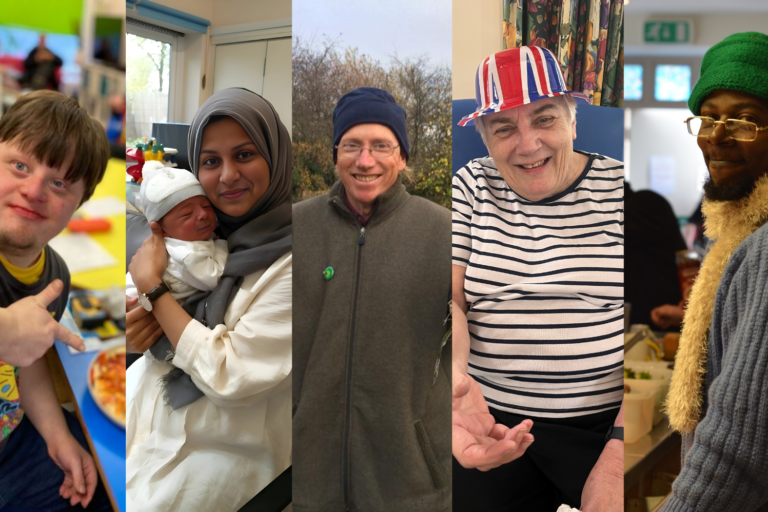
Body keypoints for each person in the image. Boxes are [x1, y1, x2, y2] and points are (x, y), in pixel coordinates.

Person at [452, 46, 624, 511]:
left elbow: (662, 338)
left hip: (604, 427)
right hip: (489, 417)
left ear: (573, 120)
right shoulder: (470, 187)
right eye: (504, 128)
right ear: (484, 137)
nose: (527, 144)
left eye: (544, 119)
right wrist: (452, 378)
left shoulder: (623, 191)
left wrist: (618, 452)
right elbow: (451, 303)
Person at [125, 88, 292, 512]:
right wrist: (131, 330)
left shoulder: (298, 258)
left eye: (245, 154)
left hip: (222, 449)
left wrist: (154, 292)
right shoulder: (208, 235)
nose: (228, 176)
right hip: (147, 413)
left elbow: (230, 374)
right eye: (211, 162)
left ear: (275, 155)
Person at [292, 87, 451, 511]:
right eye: (352, 146)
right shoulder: (296, 227)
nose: (365, 161)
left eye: (382, 146)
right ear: (335, 154)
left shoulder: (444, 233)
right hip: (313, 476)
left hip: (410, 477)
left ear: (402, 156)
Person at [661, 32, 768, 512]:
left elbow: (736, 450)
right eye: (708, 118)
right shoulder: (739, 235)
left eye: (744, 121)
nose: (717, 137)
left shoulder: (764, 246)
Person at [0, 90, 111, 510]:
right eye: (19, 165)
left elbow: (27, 365)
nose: (33, 190)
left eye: (60, 182)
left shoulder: (55, 276)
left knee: (97, 475)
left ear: (79, 205)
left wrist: (56, 435)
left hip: (13, 441)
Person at [125, 161, 227, 305]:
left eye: (206, 205)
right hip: (136, 307)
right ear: (162, 229)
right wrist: (222, 245)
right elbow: (214, 278)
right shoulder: (185, 253)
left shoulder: (190, 238)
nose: (203, 214)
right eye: (187, 213)